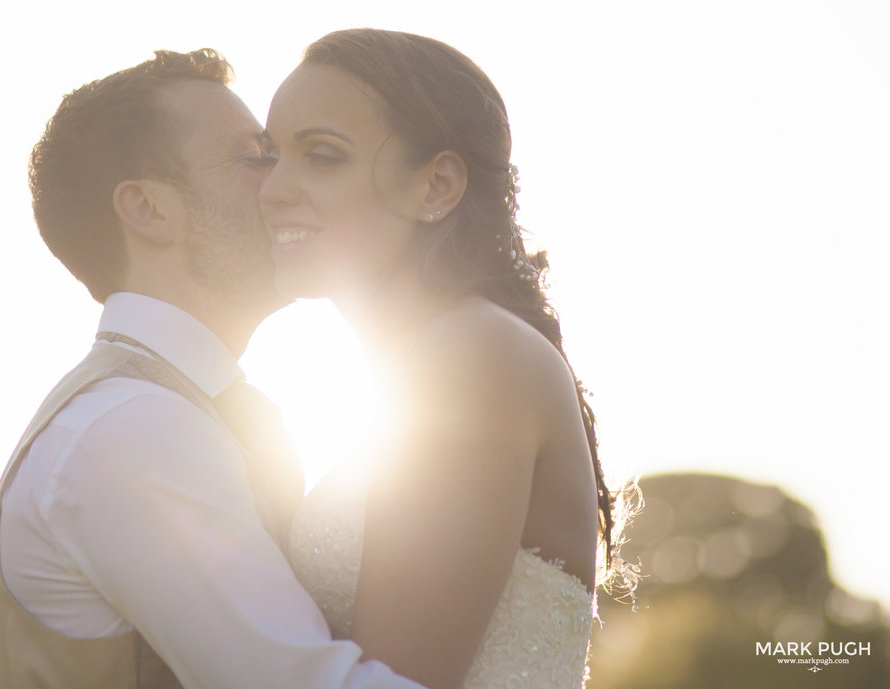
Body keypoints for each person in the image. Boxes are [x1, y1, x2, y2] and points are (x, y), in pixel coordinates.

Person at [0, 48, 430, 689]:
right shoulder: (131, 431)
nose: (284, 185)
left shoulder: (174, 414)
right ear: (148, 210)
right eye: (258, 157)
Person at [260, 29, 637, 689]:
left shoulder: (473, 357)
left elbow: (398, 679)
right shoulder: (428, 369)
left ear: (437, 184)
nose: (272, 190)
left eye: (321, 156)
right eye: (269, 157)